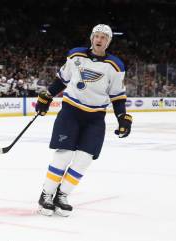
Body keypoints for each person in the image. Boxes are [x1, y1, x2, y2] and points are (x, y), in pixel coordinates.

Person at [35, 24, 132, 216]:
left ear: (109, 41)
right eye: (97, 35)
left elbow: (117, 96)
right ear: (91, 38)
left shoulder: (115, 65)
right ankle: (46, 194)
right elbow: (62, 80)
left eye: (104, 37)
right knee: (63, 155)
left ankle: (62, 195)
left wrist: (122, 117)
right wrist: (47, 96)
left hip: (95, 118)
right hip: (71, 112)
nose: (99, 39)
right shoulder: (75, 56)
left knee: (84, 160)